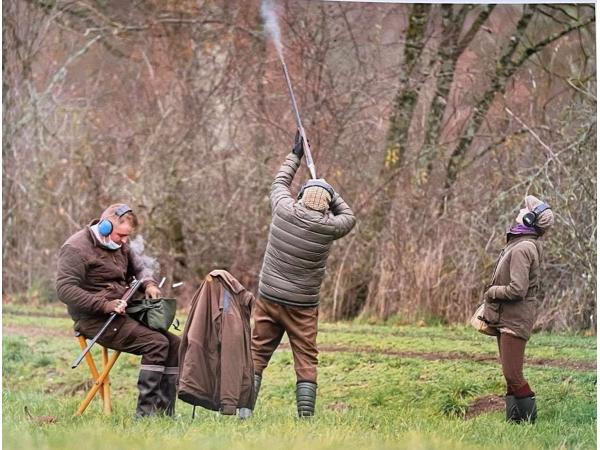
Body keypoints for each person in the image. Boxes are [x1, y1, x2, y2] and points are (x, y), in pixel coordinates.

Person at [251, 132, 356, 417]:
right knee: (306, 358)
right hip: (302, 306)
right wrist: (331, 193)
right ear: (326, 206)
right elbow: (349, 217)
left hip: (269, 297)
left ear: (299, 197)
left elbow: (279, 183)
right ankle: (306, 418)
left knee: (257, 353)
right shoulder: (329, 228)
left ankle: (243, 411)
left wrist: (295, 155)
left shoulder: (283, 209)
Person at [56, 203, 180, 417]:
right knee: (157, 343)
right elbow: (65, 289)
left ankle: (164, 413)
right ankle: (146, 415)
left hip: (124, 312)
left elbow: (139, 268)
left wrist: (149, 284)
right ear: (105, 226)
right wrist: (104, 305)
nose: (125, 241)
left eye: (127, 237)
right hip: (94, 320)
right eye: (121, 235)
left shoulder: (120, 243)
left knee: (175, 344)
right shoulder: (76, 248)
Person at [482, 195, 554, 423]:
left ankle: (529, 422)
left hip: (515, 319)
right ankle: (514, 422)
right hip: (509, 318)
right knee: (510, 374)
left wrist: (491, 292)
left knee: (513, 374)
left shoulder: (523, 248)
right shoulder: (522, 244)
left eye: (526, 209)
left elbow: (517, 290)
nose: (522, 209)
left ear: (530, 218)